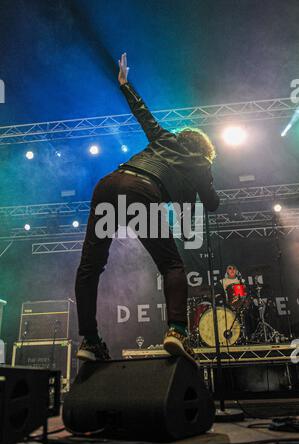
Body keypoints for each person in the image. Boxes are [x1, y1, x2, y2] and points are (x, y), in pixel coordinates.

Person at [75, 53, 219, 363]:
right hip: (142, 192)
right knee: (171, 265)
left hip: (110, 184)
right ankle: (177, 332)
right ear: (204, 151)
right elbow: (211, 203)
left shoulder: (165, 138)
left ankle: (89, 340)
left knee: (90, 265)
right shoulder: (200, 165)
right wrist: (205, 181)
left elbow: (144, 115)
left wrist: (125, 84)